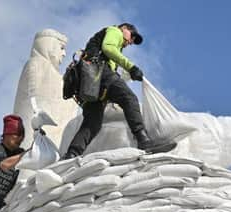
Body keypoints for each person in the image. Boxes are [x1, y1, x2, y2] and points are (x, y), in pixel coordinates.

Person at [63, 23, 176, 158]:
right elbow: (108, 48)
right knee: (129, 98)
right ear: (124, 29)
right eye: (132, 36)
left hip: (91, 83)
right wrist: (131, 67)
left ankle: (71, 154)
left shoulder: (111, 47)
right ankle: (144, 141)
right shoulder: (114, 31)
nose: (131, 41)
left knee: (92, 123)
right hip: (98, 73)